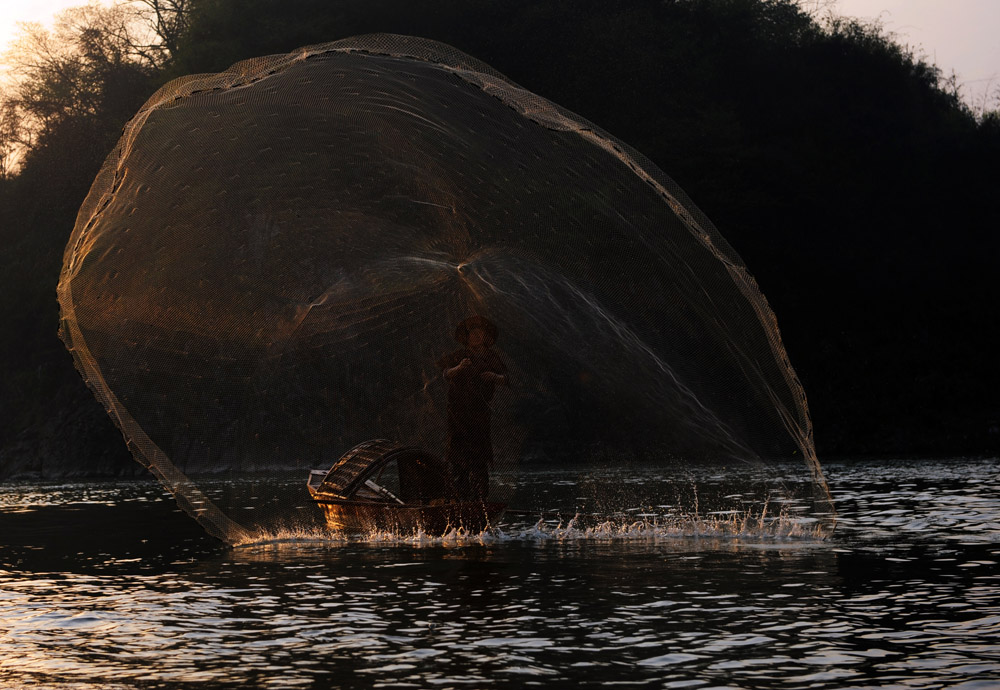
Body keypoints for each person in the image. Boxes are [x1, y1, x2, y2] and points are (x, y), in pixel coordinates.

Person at [436, 315, 508, 502]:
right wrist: (459, 368)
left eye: (479, 333)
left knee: (479, 457)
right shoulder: (460, 356)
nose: (476, 336)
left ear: (485, 336)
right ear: (466, 337)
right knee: (457, 457)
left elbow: (506, 378)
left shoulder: (491, 357)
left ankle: (480, 500)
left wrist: (493, 376)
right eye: (472, 333)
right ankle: (459, 499)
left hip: (480, 415)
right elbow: (445, 373)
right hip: (458, 415)